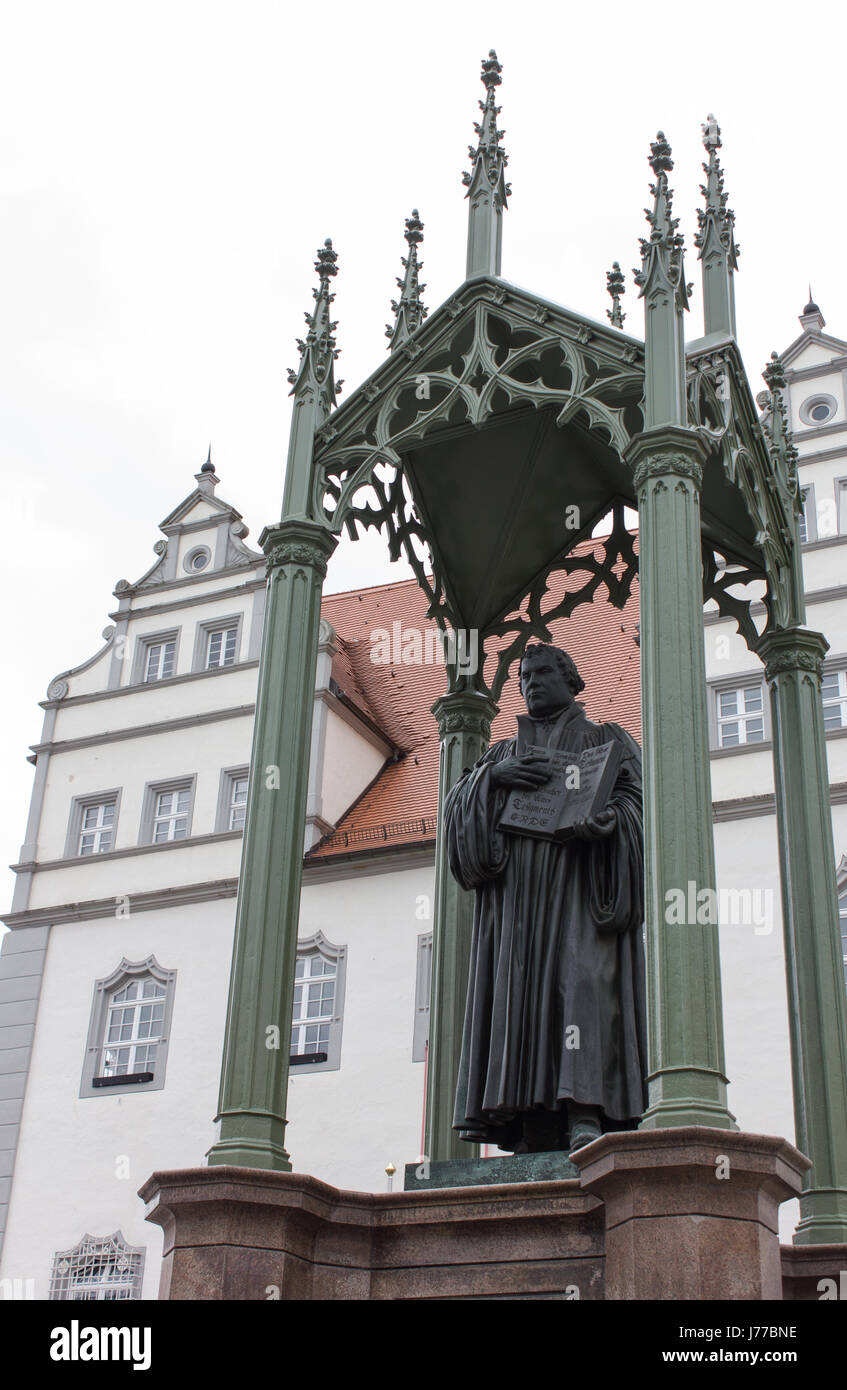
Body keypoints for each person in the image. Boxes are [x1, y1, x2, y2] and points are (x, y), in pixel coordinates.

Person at [446, 643, 647, 1154]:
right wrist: (491, 779)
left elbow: (642, 807)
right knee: (519, 997)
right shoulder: (500, 755)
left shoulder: (608, 740)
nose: (532, 683)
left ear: (573, 680)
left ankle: (585, 1111)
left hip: (579, 889)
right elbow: (457, 822)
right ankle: (532, 1120)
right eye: (524, 677)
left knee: (582, 986)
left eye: (542, 674)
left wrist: (612, 822)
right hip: (516, 901)